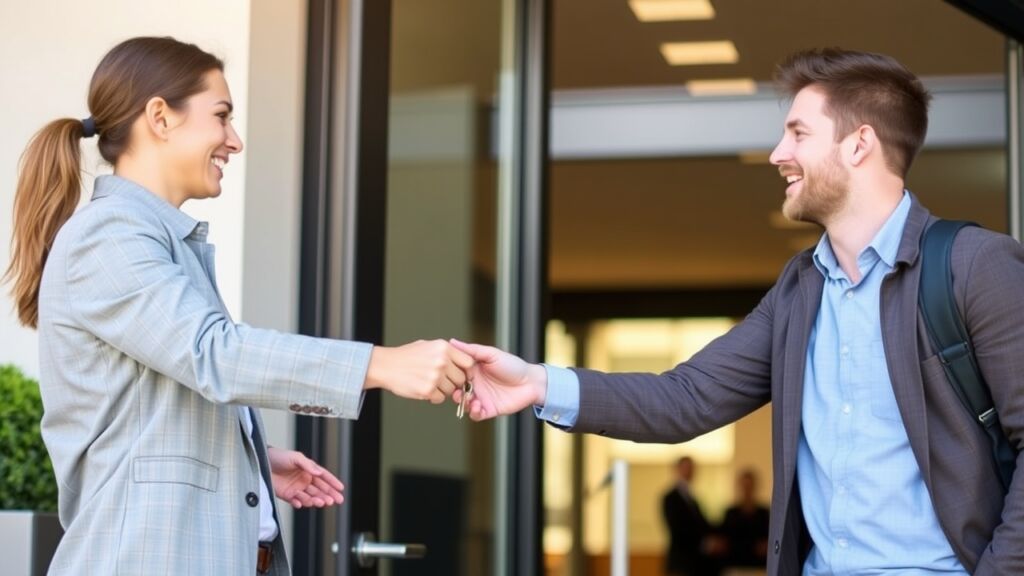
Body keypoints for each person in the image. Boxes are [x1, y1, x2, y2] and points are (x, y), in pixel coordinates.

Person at [450, 48, 1024, 575]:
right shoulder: (800, 289)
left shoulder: (974, 265)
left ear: (859, 144)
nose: (779, 154)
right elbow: (685, 398)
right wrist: (536, 383)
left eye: (798, 133)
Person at [4, 37, 472, 575]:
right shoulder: (108, 236)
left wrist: (247, 466)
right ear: (160, 117)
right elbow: (214, 354)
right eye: (221, 117)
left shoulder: (157, 240)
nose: (235, 141)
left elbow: (151, 408)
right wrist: (384, 364)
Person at [662, 456, 714, 576]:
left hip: (695, 562)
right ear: (677, 470)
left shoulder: (693, 499)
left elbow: (702, 524)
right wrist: (705, 542)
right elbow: (677, 528)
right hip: (681, 561)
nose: (689, 472)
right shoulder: (670, 498)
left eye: (692, 468)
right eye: (686, 468)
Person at [718, 469, 769, 572]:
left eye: (749, 486)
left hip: (758, 566)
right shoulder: (731, 513)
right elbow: (724, 538)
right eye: (745, 486)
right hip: (734, 564)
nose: (747, 489)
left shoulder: (764, 513)